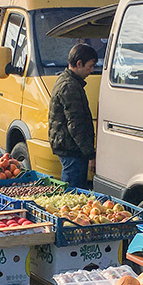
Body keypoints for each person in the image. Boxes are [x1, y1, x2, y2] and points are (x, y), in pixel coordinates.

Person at [48, 43, 98, 189]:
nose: (91, 70)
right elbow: (76, 124)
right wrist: (90, 154)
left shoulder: (68, 80)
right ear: (79, 64)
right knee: (73, 188)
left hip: (68, 144)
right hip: (70, 146)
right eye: (90, 66)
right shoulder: (69, 86)